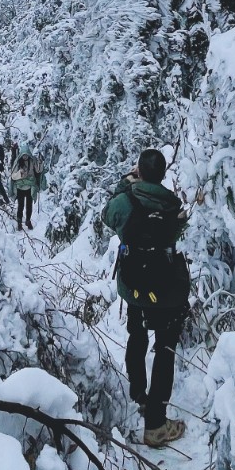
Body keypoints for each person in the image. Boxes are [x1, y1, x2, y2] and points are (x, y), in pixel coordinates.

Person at [103, 148, 190, 448]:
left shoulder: (126, 201)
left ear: (139, 170)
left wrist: (125, 184)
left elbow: (108, 215)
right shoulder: (173, 203)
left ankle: (140, 396)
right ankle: (156, 421)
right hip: (166, 287)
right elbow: (179, 229)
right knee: (164, 350)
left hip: (135, 286)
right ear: (163, 174)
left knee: (136, 336)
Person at [10, 141, 45, 229]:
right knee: (20, 205)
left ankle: (28, 221)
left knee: (29, 205)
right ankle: (19, 222)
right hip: (20, 187)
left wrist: (40, 163)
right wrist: (20, 174)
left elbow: (38, 171)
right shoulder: (18, 162)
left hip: (30, 187)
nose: (25, 156)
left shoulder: (32, 161)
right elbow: (13, 176)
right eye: (23, 155)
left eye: (26, 155)